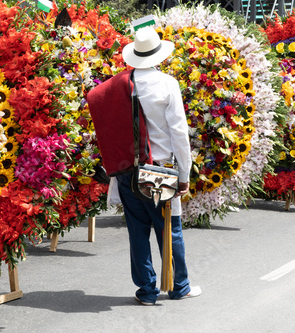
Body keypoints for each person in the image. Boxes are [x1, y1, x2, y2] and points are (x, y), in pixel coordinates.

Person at [89, 27, 201, 306]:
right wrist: (184, 176)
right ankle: (178, 286)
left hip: (127, 169)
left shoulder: (118, 85)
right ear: (159, 55)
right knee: (169, 229)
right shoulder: (167, 84)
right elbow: (179, 134)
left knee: (137, 230)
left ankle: (148, 291)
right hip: (160, 170)